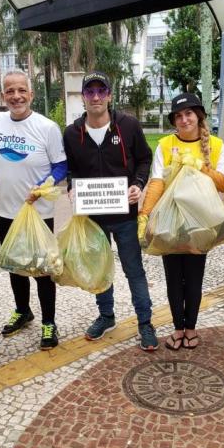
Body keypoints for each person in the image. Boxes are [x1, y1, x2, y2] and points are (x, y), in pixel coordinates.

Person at [63, 71, 158, 351]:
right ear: (83, 97)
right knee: (100, 269)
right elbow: (72, 169)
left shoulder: (128, 125)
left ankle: (145, 322)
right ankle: (106, 316)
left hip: (125, 216)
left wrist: (139, 184)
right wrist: (71, 187)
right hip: (93, 219)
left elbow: (144, 158)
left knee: (134, 271)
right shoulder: (72, 133)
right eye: (89, 92)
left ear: (109, 95)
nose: (95, 97)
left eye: (100, 91)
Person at [0, 70, 67, 350]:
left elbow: (61, 166)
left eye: (21, 90)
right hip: (5, 212)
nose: (16, 96)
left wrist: (42, 185)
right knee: (15, 267)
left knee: (42, 271)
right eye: (9, 91)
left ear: (31, 93)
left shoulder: (47, 127)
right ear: (3, 96)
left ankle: (49, 324)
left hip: (39, 213)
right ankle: (23, 311)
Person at [138, 93, 224, 350]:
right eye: (178, 116)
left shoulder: (216, 144)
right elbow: (157, 181)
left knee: (194, 278)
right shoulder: (166, 145)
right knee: (173, 277)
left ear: (198, 116)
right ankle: (178, 328)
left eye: (189, 113)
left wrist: (201, 166)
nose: (184, 119)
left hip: (200, 223)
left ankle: (191, 328)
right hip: (170, 222)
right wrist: (145, 214)